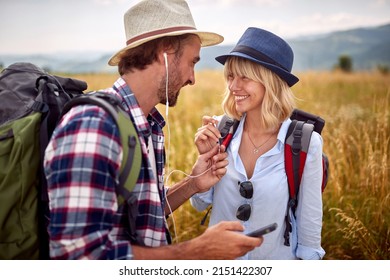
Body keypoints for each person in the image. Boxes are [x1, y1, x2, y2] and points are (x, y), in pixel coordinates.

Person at [43, 0, 262, 260]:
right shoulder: (94, 124)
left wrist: (192, 184)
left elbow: (145, 214)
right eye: (192, 62)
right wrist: (197, 251)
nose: (193, 78)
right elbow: (80, 255)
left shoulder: (147, 125)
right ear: (166, 53)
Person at [190, 27, 326, 260]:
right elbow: (199, 205)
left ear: (270, 82)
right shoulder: (220, 130)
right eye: (231, 77)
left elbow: (309, 235)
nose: (233, 87)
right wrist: (203, 163)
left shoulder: (305, 142)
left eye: (245, 77)